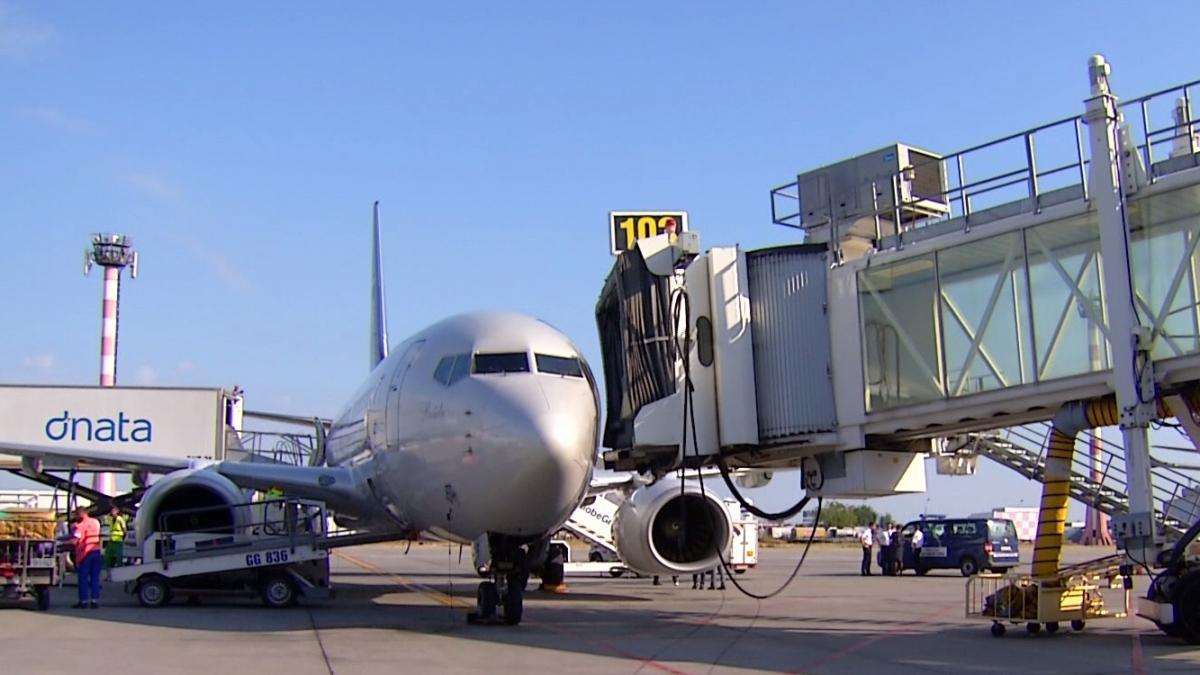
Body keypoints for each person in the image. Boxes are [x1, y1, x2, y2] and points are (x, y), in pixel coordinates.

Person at [67, 506, 103, 608]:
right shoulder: (96, 522)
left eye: (76, 515)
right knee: (95, 578)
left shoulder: (80, 526)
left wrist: (63, 542)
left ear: (80, 514)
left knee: (83, 578)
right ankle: (94, 601)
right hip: (96, 551)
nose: (75, 517)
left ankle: (83, 601)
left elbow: (75, 540)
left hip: (85, 554)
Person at [102, 506, 127, 581]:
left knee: (119, 559)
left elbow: (124, 530)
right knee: (107, 558)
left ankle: (121, 576)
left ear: (117, 511)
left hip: (118, 541)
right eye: (112, 511)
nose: (112, 512)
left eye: (114, 511)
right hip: (111, 540)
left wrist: (122, 538)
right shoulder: (111, 519)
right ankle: (108, 576)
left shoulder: (120, 519)